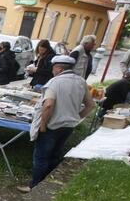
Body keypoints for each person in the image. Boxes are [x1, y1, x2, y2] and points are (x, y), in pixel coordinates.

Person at [18, 55, 95, 193]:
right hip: (69, 126)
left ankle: (34, 186)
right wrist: (76, 117)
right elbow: (90, 105)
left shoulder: (55, 82)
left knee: (41, 157)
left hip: (52, 126)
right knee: (55, 154)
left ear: (58, 68)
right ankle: (48, 181)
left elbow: (48, 105)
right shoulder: (80, 81)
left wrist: (42, 124)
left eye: (53, 68)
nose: (52, 71)